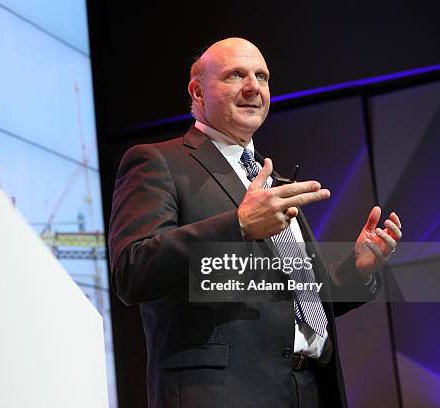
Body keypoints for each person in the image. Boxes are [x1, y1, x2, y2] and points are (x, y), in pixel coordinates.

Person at [108, 38, 402, 408]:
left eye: (261, 77)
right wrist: (238, 225)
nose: (253, 87)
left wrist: (359, 269)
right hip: (223, 394)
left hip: (309, 389)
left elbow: (299, 297)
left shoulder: (270, 179)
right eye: (236, 75)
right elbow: (132, 271)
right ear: (197, 91)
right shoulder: (158, 163)